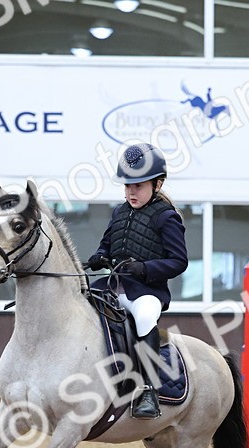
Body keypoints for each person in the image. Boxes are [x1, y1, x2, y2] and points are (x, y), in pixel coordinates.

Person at [84, 143, 188, 420]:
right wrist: (99, 256)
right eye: (128, 185)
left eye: (139, 186)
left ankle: (148, 390)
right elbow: (107, 244)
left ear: (157, 183)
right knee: (80, 300)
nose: (131, 191)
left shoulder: (166, 218)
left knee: (143, 319)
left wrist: (143, 268)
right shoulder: (119, 212)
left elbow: (179, 261)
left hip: (147, 291)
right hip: (114, 284)